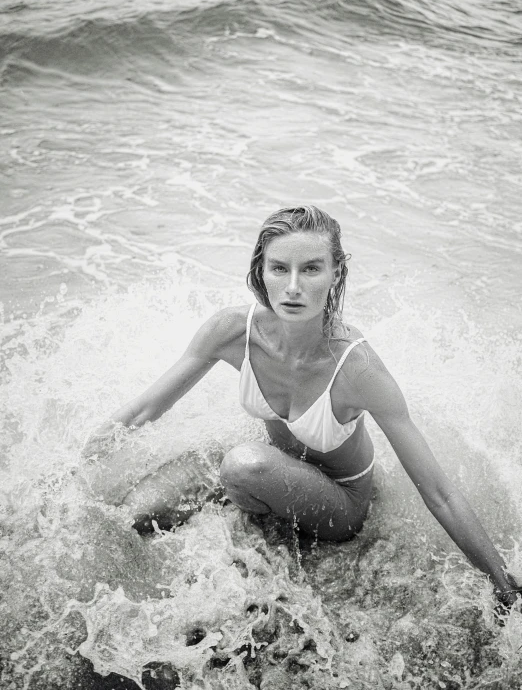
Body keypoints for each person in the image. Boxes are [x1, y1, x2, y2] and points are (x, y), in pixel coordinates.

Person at [81, 205, 520, 608]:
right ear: (262, 271)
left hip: (339, 499)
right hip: (271, 467)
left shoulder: (358, 369)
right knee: (128, 518)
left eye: (311, 269)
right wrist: (74, 470)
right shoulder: (232, 331)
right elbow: (142, 410)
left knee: (241, 464)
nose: (292, 287)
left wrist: (503, 584)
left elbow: (439, 493)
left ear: (335, 274)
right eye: (279, 268)